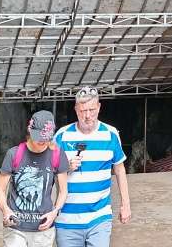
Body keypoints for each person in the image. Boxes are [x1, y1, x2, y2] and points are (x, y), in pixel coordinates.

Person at [54, 87, 131, 247]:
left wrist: (126, 204)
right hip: (67, 219)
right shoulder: (61, 136)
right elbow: (47, 172)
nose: (87, 116)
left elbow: (119, 169)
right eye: (82, 111)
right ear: (76, 109)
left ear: (99, 107)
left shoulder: (111, 134)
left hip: (99, 217)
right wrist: (65, 167)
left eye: (92, 110)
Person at [0, 110, 69, 247]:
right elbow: (0, 190)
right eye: (38, 137)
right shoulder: (14, 154)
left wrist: (55, 212)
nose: (42, 141)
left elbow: (63, 191)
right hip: (15, 228)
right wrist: (6, 210)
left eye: (46, 137)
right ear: (30, 131)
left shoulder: (57, 155)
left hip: (43, 229)